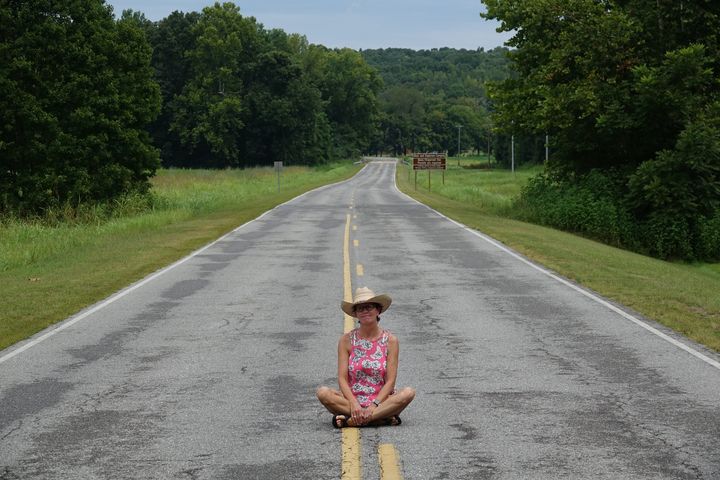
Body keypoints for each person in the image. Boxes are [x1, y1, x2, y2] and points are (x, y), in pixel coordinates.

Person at [316, 287, 415, 428]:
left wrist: (374, 405)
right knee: (323, 393)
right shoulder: (346, 340)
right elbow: (342, 378)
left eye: (369, 307)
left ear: (378, 310)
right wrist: (354, 403)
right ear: (356, 314)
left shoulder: (391, 340)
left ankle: (352, 420)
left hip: (381, 402)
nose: (365, 311)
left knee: (408, 393)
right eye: (360, 308)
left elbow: (390, 381)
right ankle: (381, 418)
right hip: (351, 401)